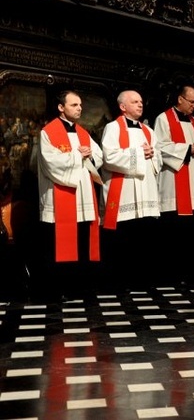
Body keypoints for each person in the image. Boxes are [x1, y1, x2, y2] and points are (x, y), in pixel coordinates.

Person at [35, 89, 103, 299]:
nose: (79, 108)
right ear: (61, 107)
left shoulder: (83, 132)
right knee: (59, 242)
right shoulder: (49, 132)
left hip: (83, 195)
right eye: (74, 105)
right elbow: (50, 162)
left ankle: (80, 285)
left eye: (80, 105)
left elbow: (98, 156)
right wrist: (77, 155)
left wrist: (90, 155)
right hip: (60, 195)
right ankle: (59, 288)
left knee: (82, 239)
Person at [100, 89, 162, 289]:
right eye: (135, 102)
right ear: (122, 107)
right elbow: (108, 157)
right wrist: (137, 153)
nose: (140, 105)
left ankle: (142, 277)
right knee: (123, 234)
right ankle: (120, 279)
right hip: (124, 189)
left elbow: (158, 160)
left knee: (142, 234)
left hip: (145, 189)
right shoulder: (113, 128)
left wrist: (152, 154)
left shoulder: (149, 131)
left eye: (141, 101)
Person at [154, 83, 194, 281]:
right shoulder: (163, 118)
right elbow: (159, 146)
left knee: (191, 232)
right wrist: (187, 149)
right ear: (180, 99)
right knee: (174, 232)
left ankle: (190, 272)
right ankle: (171, 273)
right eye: (191, 102)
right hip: (173, 184)